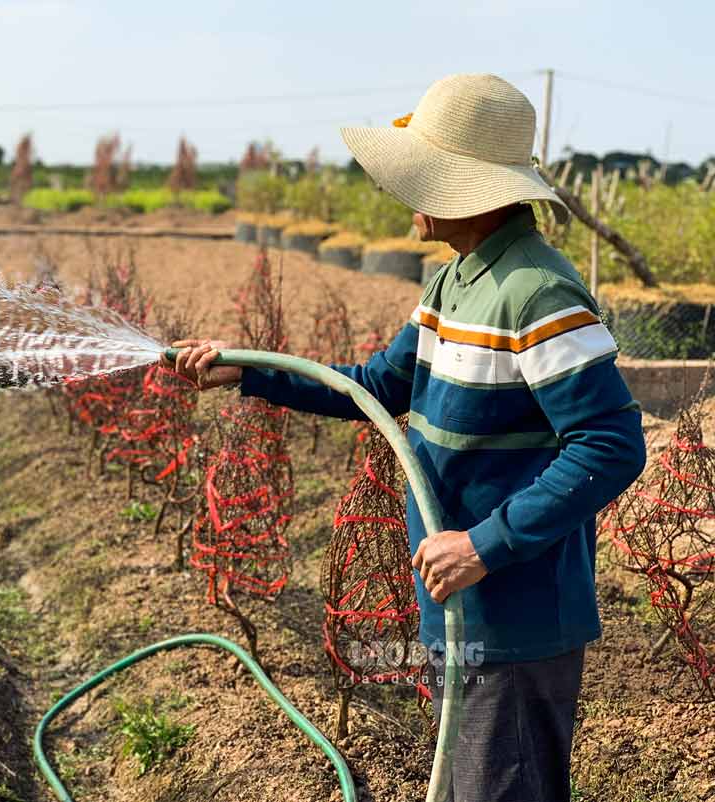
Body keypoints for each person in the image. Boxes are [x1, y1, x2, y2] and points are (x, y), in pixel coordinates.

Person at [167, 73, 646, 802]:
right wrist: (246, 371)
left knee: (500, 784)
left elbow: (611, 443)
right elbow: (378, 386)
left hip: (513, 613)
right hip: (459, 604)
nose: (407, 193)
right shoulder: (455, 283)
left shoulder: (535, 292)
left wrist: (483, 544)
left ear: (469, 191)